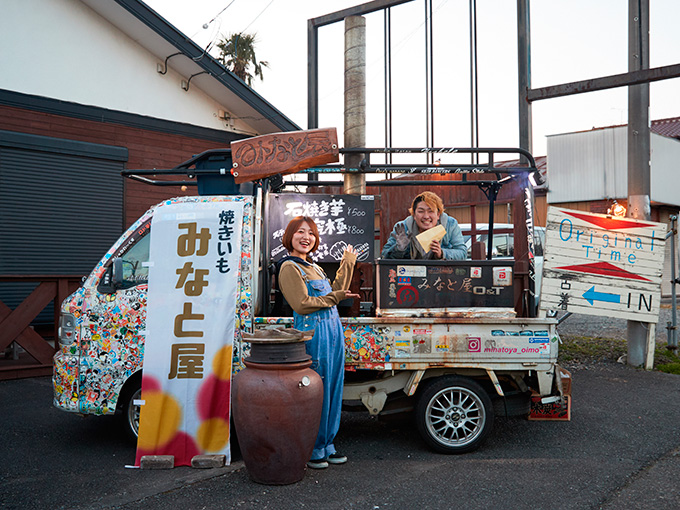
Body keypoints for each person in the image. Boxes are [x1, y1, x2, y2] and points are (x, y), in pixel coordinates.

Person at [277, 216, 359, 470]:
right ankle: (313, 446)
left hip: (332, 332)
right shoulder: (289, 267)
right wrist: (335, 297)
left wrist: (348, 263)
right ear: (290, 236)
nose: (306, 237)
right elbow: (301, 304)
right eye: (300, 232)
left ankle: (328, 443)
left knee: (333, 387)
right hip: (313, 333)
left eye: (311, 233)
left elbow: (337, 291)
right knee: (315, 391)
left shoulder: (315, 267)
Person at [381, 191, 467, 260]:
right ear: (414, 215)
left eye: (431, 211)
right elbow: (384, 256)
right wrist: (399, 249)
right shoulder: (403, 228)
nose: (426, 216)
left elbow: (462, 253)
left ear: (438, 215)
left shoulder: (450, 225)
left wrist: (442, 253)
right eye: (421, 211)